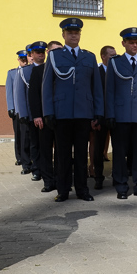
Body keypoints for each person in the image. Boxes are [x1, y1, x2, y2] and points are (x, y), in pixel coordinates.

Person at [42, 18, 104, 202]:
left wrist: (98, 112)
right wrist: (48, 112)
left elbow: (96, 87)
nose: (74, 36)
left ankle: (82, 189)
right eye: (70, 33)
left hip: (83, 112)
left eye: (76, 33)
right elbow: (47, 85)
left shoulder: (89, 57)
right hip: (62, 112)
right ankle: (63, 190)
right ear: (63, 35)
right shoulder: (54, 56)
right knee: (62, 155)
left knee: (81, 154)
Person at [105, 27, 137, 199]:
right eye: (131, 42)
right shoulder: (115, 63)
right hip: (120, 116)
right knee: (120, 154)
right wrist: (110, 114)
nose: (135, 45)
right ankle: (121, 187)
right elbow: (109, 90)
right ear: (123, 43)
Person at [29, 41, 62, 192]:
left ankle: (60, 179)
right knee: (46, 150)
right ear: (48, 52)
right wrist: (37, 115)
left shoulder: (65, 69)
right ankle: (48, 181)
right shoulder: (39, 70)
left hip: (62, 117)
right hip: (44, 118)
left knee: (61, 151)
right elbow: (33, 95)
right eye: (54, 51)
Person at [15, 42, 45, 181]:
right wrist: (23, 114)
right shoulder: (25, 71)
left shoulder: (49, 68)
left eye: (42, 52)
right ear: (31, 54)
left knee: (46, 144)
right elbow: (20, 94)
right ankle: (36, 169)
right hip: (32, 114)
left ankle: (47, 168)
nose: (41, 54)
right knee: (34, 144)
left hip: (48, 113)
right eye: (37, 52)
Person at [88, 45, 114, 189]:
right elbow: (92, 95)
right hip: (101, 116)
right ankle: (98, 177)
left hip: (116, 116)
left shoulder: (118, 71)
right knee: (98, 149)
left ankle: (118, 177)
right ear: (103, 57)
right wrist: (94, 117)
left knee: (119, 148)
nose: (114, 58)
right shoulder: (96, 72)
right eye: (111, 55)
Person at [6, 51, 25, 166]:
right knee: (18, 134)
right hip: (17, 109)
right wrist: (10, 107)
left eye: (25, 59)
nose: (24, 61)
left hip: (26, 110)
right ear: (18, 60)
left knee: (26, 136)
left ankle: (27, 156)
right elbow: (9, 91)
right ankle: (19, 157)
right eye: (22, 59)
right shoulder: (12, 73)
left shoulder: (30, 71)